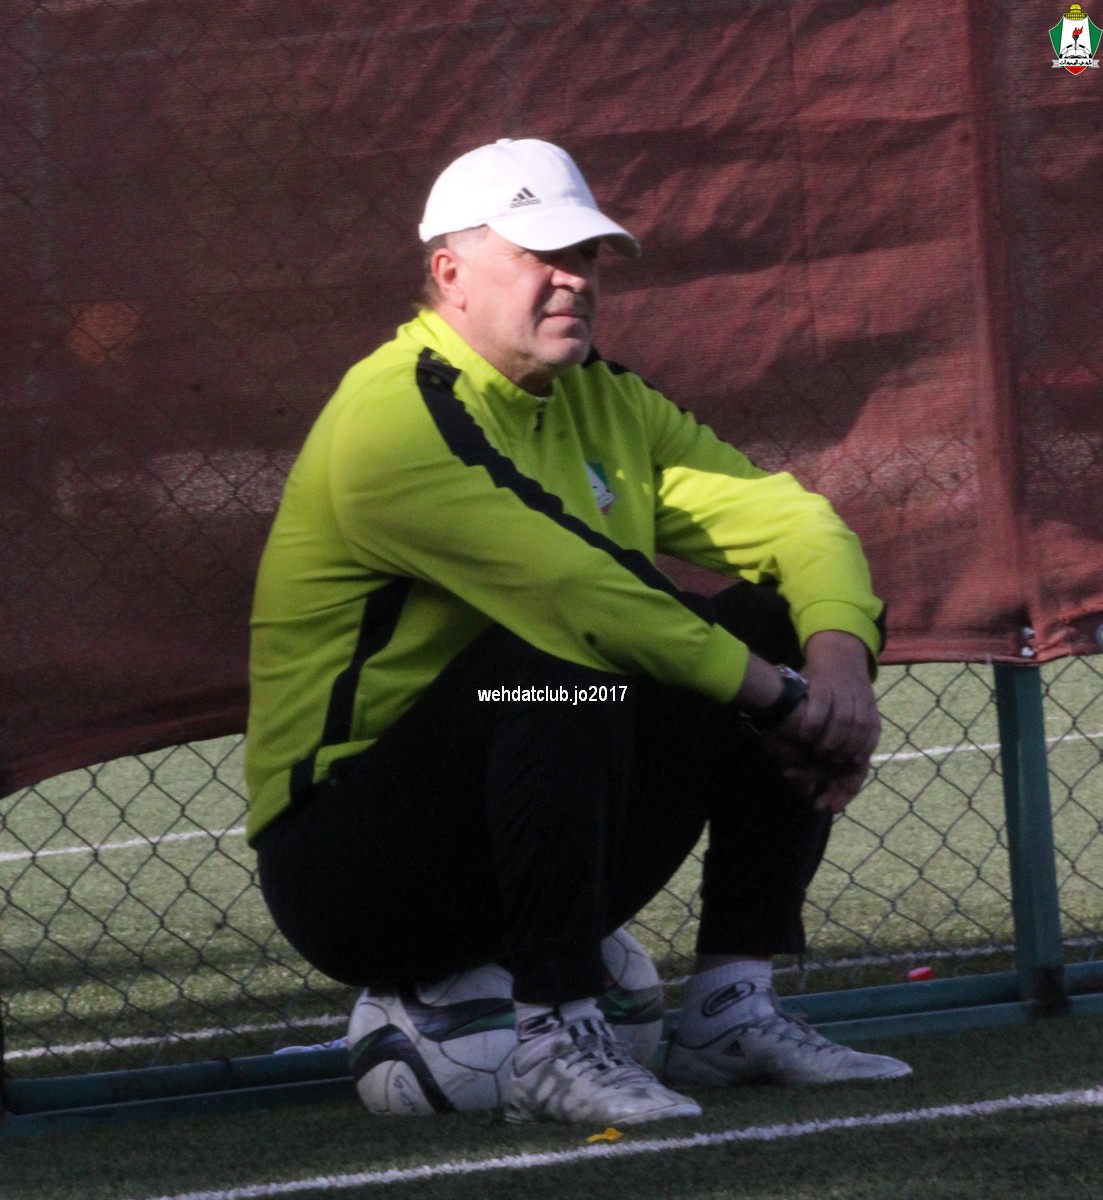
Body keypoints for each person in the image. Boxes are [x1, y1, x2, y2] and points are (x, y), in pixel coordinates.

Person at [245, 137, 911, 1128]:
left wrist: (836, 667)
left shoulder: (603, 396)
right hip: (353, 868)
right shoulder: (390, 418)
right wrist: (779, 702)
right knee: (559, 663)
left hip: (538, 831)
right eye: (540, 254)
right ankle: (555, 1037)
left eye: (588, 256)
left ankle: (729, 1007)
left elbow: (792, 522)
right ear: (449, 274)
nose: (574, 279)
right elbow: (579, 592)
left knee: (772, 616)